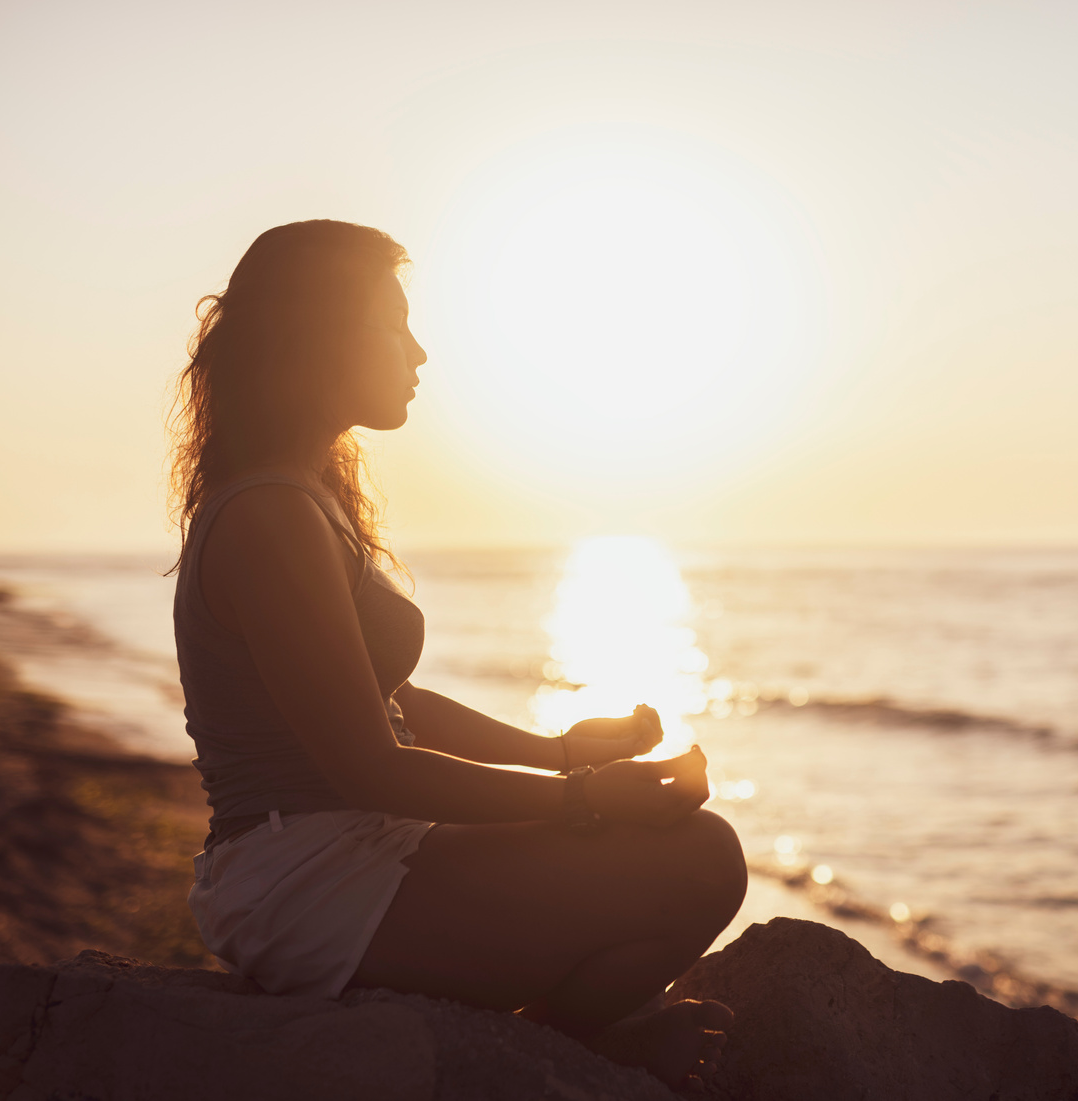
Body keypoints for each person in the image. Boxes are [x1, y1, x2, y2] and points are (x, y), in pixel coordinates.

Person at [168, 219, 746, 1090]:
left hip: (353, 848)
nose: (420, 351)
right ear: (320, 334)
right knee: (701, 857)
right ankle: (577, 1040)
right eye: (393, 323)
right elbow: (373, 765)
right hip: (308, 881)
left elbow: (392, 704)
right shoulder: (270, 517)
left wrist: (558, 754)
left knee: (686, 847)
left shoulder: (305, 496)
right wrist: (580, 800)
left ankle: (575, 1027)